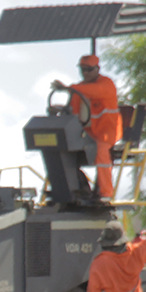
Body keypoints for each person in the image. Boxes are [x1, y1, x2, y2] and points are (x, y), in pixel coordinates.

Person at [52, 54, 122, 201]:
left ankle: (105, 193)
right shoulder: (79, 90)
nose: (85, 73)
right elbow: (72, 114)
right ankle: (70, 190)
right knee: (60, 149)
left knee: (101, 150)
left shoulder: (106, 84)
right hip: (87, 133)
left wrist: (67, 88)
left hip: (106, 132)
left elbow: (95, 91)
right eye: (83, 69)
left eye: (89, 69)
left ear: (97, 69)